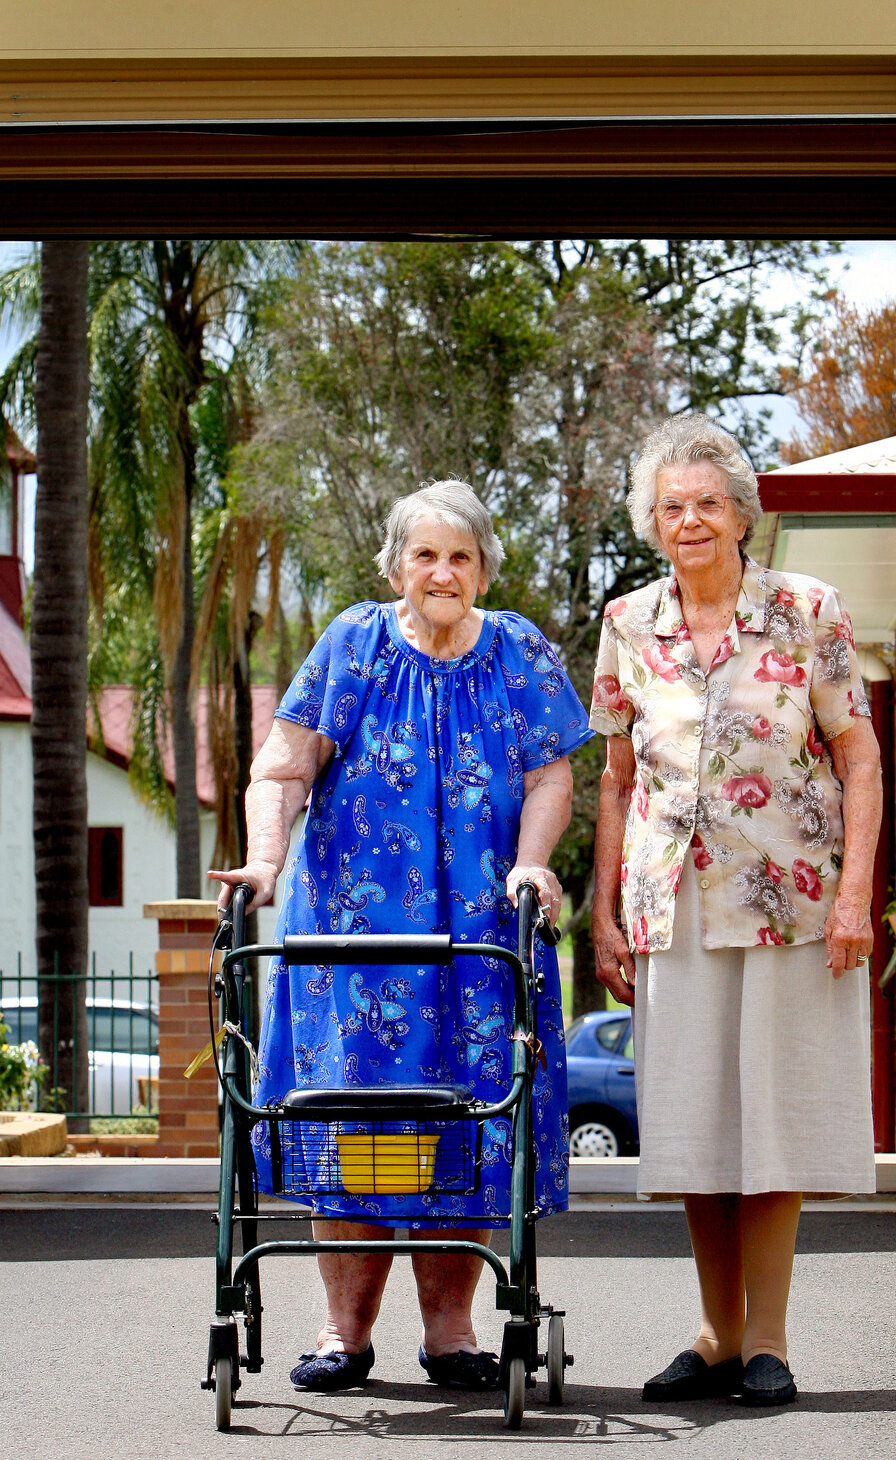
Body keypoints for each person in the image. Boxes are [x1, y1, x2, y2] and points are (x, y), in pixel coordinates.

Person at [211, 480, 592, 1395]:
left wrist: (533, 864)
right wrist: (263, 864)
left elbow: (552, 778)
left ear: (484, 569)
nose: (443, 572)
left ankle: (454, 1333)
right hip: (353, 946)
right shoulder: (354, 644)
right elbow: (282, 767)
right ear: (394, 566)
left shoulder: (520, 654)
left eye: (460, 557)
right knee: (351, 1125)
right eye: (425, 555)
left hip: (481, 935)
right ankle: (344, 1332)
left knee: (468, 1121)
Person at [589, 414, 880, 1407]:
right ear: (652, 521)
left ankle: (768, 1335)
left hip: (790, 904)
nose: (691, 519)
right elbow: (615, 777)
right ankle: (712, 1331)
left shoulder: (808, 609)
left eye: (708, 502)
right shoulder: (627, 623)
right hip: (667, 904)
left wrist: (855, 894)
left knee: (773, 1121)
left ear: (743, 514)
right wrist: (602, 911)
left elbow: (858, 755)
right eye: (672, 505)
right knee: (693, 1126)